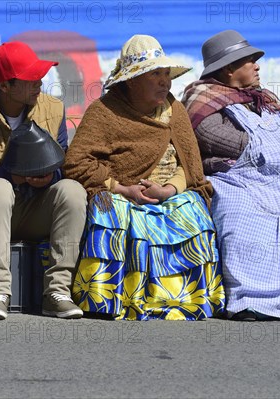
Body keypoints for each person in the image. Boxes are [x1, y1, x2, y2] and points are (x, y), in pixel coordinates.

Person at [182, 30, 280, 320]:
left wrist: (279, 146)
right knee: (239, 213)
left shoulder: (265, 98)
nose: (257, 65)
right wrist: (272, 144)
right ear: (229, 69)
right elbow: (213, 136)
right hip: (238, 177)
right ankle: (251, 300)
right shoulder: (202, 98)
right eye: (249, 61)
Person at [64, 35, 225, 321]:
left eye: (166, 75)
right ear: (132, 81)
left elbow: (190, 164)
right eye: (155, 75)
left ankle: (187, 298)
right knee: (111, 212)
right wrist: (121, 188)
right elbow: (77, 163)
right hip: (121, 193)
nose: (165, 82)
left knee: (194, 210)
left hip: (168, 194)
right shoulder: (103, 112)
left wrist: (169, 190)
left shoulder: (175, 111)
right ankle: (110, 299)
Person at [0, 42, 87, 320]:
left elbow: (64, 167)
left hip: (37, 210)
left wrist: (50, 177)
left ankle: (57, 292)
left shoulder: (54, 110)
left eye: (39, 76)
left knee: (72, 190)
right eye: (29, 79)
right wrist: (9, 175)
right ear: (5, 86)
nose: (39, 83)